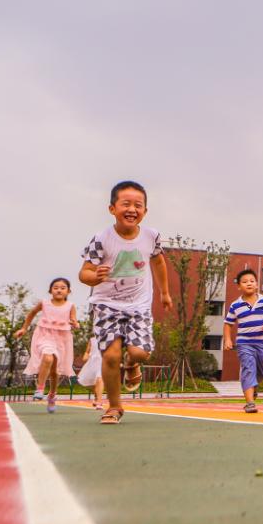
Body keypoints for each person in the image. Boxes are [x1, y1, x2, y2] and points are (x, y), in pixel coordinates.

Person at [79, 180, 173, 425]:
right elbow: (84, 273)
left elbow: (158, 262)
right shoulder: (101, 239)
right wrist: (95, 276)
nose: (132, 209)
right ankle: (114, 406)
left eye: (138, 205)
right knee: (110, 357)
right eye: (126, 204)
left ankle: (132, 364)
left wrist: (164, 292)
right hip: (106, 305)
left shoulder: (151, 236)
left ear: (145, 211)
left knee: (139, 352)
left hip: (139, 306)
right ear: (112, 208)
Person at [15, 278, 79, 414]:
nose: (59, 290)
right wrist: (24, 328)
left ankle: (52, 395)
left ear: (68, 291)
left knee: (55, 372)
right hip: (45, 335)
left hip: (62, 338)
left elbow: (75, 320)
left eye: (62, 288)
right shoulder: (44, 303)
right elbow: (32, 313)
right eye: (56, 287)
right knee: (47, 357)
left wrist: (75, 324)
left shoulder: (70, 305)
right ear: (50, 291)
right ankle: (40, 388)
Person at [223, 269, 263, 413]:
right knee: (248, 369)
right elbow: (228, 323)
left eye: (252, 281)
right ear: (239, 286)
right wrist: (227, 339)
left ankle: (254, 385)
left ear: (257, 284)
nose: (249, 283)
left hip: (262, 343)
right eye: (245, 282)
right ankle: (250, 403)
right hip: (244, 343)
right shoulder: (235, 305)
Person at [77, 331, 105, 410]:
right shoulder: (92, 340)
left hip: (103, 362)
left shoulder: (108, 339)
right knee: (94, 383)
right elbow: (87, 351)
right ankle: (96, 397)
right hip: (92, 363)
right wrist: (85, 356)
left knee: (99, 379)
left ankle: (99, 402)